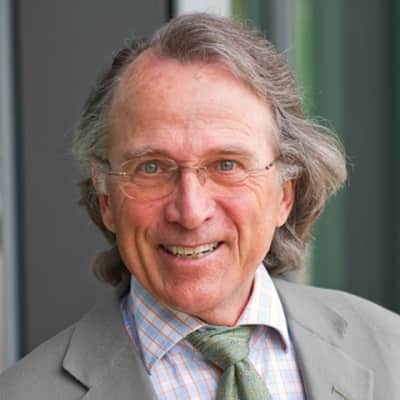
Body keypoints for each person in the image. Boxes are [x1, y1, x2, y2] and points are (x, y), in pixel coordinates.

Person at [1, 13, 399, 400]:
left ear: (285, 193)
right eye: (152, 167)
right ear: (106, 198)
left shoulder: (390, 349)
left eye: (227, 165)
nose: (190, 212)